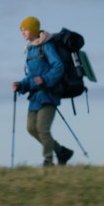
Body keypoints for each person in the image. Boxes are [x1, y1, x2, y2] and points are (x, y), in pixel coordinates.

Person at [12, 16, 74, 166]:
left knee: (42, 128)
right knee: (31, 128)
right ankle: (61, 151)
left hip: (49, 94)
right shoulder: (30, 49)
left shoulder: (46, 46)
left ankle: (48, 160)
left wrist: (45, 79)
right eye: (22, 30)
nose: (23, 32)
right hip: (35, 96)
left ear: (33, 29)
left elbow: (58, 66)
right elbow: (31, 76)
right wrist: (20, 85)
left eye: (25, 29)